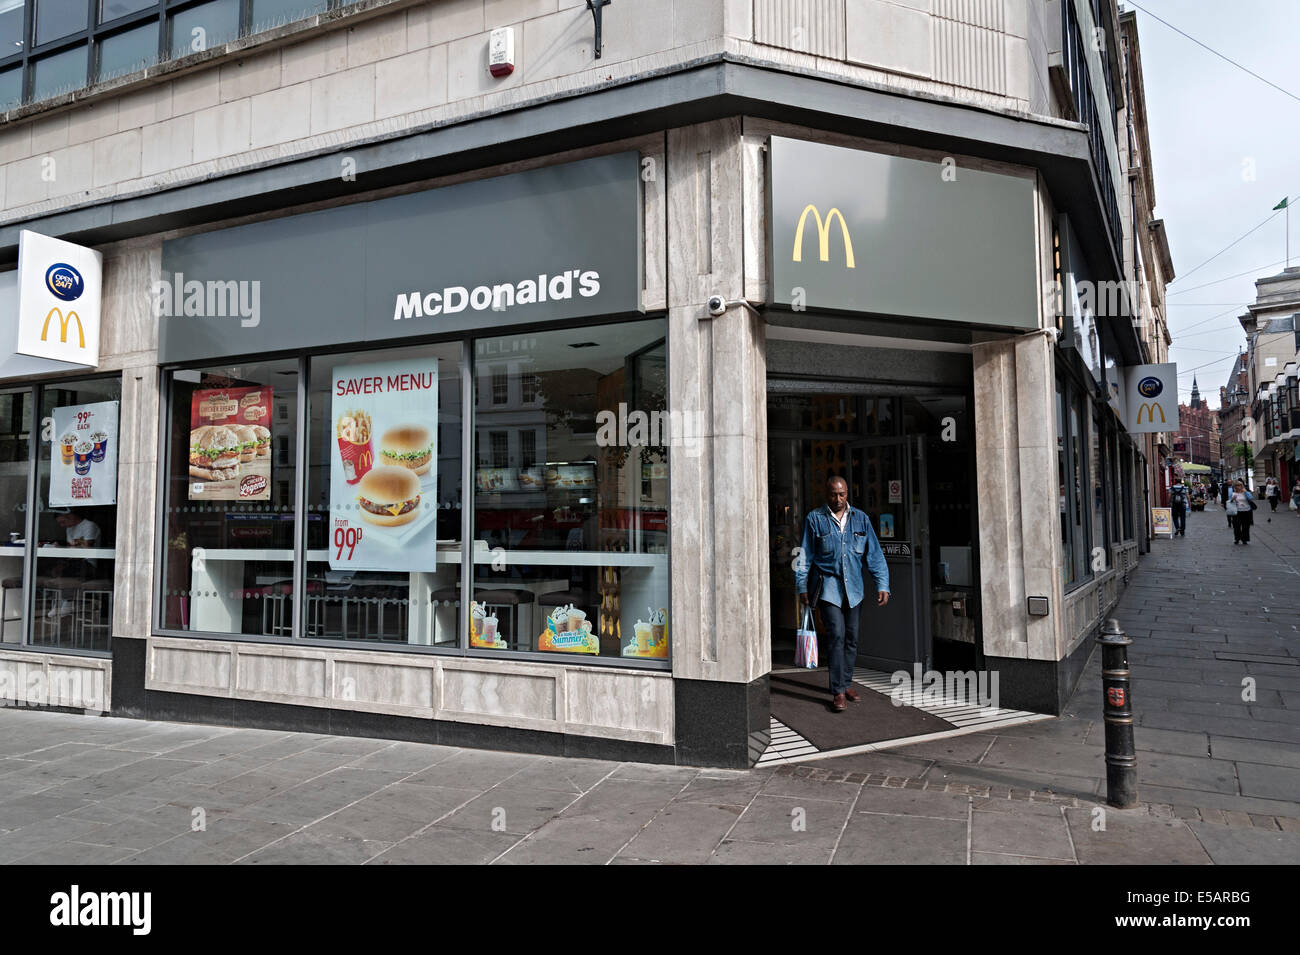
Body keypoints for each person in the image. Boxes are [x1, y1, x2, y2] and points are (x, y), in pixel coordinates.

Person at [796, 476, 890, 713]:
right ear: (826, 494)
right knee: (836, 635)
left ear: (848, 493)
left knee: (852, 637)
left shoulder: (861, 519)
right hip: (828, 588)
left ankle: (846, 683)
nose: (838, 499)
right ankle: (838, 691)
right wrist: (801, 586)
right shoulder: (815, 518)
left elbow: (875, 555)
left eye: (842, 494)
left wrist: (883, 584)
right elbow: (804, 555)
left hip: (855, 590)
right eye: (833, 495)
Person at [1226, 480, 1255, 545]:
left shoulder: (1246, 492)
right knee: (1236, 526)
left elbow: (1251, 498)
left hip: (1246, 511)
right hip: (1237, 512)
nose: (1238, 487)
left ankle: (1244, 539)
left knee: (1245, 526)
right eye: (1237, 485)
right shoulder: (1233, 493)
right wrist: (1232, 499)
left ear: (1242, 486)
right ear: (1235, 487)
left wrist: (1246, 492)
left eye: (1240, 485)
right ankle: (1237, 539)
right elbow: (1229, 502)